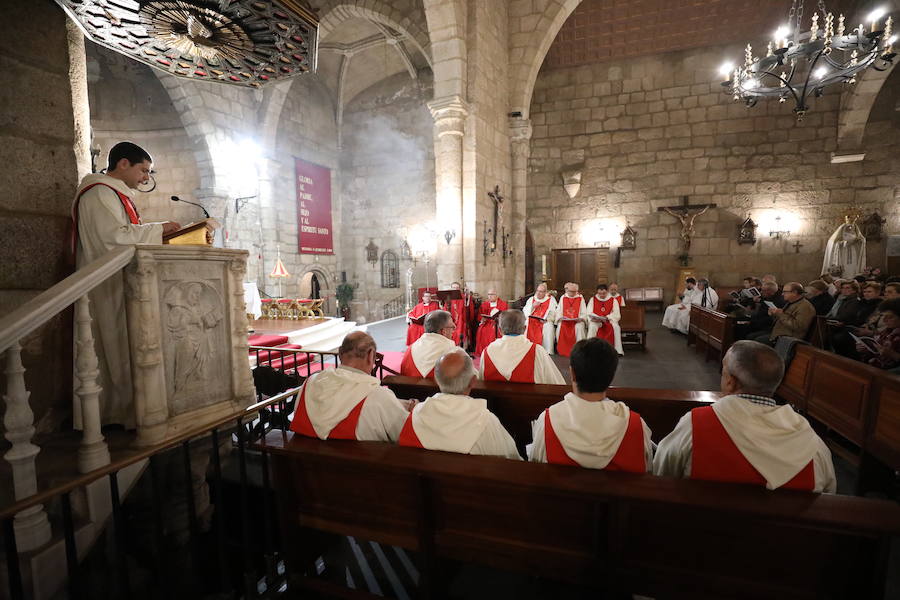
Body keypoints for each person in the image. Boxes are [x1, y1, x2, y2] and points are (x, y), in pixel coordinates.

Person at [72, 141, 180, 427]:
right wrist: (158, 229)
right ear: (123, 164)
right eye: (143, 170)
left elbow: (124, 233)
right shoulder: (98, 193)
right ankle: (117, 413)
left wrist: (156, 231)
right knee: (113, 347)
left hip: (123, 282)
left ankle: (130, 410)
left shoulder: (114, 194)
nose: (146, 178)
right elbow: (113, 238)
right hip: (106, 285)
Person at [653, 341, 836, 492]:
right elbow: (828, 493)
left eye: (723, 372)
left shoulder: (696, 425)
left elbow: (662, 472)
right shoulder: (814, 445)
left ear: (730, 382)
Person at [528, 338, 653, 471]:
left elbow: (536, 465)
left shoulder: (548, 421)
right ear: (611, 375)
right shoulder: (636, 425)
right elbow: (648, 468)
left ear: (572, 373)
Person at [289, 332, 414, 441]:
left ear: (339, 353)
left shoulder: (311, 383)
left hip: (306, 466)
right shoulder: (378, 395)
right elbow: (404, 433)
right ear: (371, 355)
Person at [398, 349, 521, 459]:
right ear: (473, 381)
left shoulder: (416, 416)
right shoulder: (486, 422)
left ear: (436, 379)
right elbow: (513, 459)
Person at [478, 310, 565, 384]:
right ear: (524, 329)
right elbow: (557, 384)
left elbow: (482, 381)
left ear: (499, 330)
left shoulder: (488, 351)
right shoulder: (537, 351)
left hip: (493, 403)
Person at [749, 282, 816, 344]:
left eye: (785, 292)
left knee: (756, 341)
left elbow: (799, 327)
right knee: (751, 336)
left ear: (795, 292)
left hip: (788, 338)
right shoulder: (791, 302)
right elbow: (782, 319)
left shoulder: (805, 307)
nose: (782, 294)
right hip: (779, 333)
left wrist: (780, 314)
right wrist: (774, 314)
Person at [400, 310, 458, 378]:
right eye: (452, 327)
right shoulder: (453, 352)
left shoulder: (409, 350)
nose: (454, 328)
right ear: (443, 331)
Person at [855, 298, 900, 370]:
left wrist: (893, 355)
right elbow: (877, 349)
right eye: (883, 316)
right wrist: (866, 349)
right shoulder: (888, 330)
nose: (885, 320)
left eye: (890, 317)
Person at [586, 284, 623, 355]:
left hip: (609, 320)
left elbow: (616, 314)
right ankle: (589, 349)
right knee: (592, 326)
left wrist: (607, 317)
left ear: (607, 291)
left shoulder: (613, 300)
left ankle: (617, 350)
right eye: (599, 293)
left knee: (616, 327)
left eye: (604, 293)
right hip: (597, 321)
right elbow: (589, 312)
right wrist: (594, 318)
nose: (601, 295)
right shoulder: (593, 299)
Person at [523, 283, 557, 354]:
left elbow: (554, 312)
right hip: (532, 320)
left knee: (549, 327)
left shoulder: (551, 299)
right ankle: (528, 348)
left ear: (545, 292)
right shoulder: (531, 299)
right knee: (526, 323)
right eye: (537, 291)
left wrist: (547, 319)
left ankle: (547, 351)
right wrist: (532, 306)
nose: (538, 293)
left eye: (541, 291)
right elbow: (525, 312)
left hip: (544, 321)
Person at [555, 282, 588, 357]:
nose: (573, 293)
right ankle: (562, 350)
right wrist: (560, 317)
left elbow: (584, 312)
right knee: (560, 326)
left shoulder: (580, 298)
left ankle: (580, 350)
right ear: (567, 290)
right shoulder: (563, 297)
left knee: (579, 327)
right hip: (565, 321)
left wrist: (581, 318)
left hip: (577, 321)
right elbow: (559, 311)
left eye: (574, 292)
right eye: (571, 291)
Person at [474, 289, 508, 356]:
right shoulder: (484, 304)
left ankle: (496, 352)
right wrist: (482, 319)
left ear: (497, 295)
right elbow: (480, 315)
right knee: (481, 330)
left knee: (494, 331)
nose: (490, 296)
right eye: (489, 294)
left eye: (492, 294)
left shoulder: (503, 304)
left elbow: (505, 315)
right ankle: (484, 351)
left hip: (498, 323)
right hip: (487, 323)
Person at [442, 282, 470, 347]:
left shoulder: (463, 297)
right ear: (451, 288)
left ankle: (460, 347)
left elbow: (466, 309)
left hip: (460, 320)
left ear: (459, 289)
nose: (455, 289)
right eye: (454, 288)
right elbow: (445, 310)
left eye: (457, 288)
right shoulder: (448, 298)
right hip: (450, 319)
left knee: (460, 329)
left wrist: (467, 296)